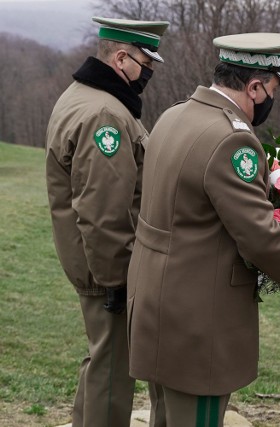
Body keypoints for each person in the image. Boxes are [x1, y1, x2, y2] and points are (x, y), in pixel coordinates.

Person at [127, 32, 280, 426]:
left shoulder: (174, 115)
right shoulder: (232, 141)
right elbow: (259, 235)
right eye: (272, 89)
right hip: (198, 323)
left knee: (164, 417)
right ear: (255, 86)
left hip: (155, 307)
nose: (270, 100)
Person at [45, 16, 169, 427]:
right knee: (113, 374)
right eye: (146, 63)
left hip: (96, 263)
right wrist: (117, 281)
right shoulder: (105, 116)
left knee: (102, 361)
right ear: (121, 59)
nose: (149, 72)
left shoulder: (87, 96)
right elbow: (103, 211)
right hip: (106, 269)